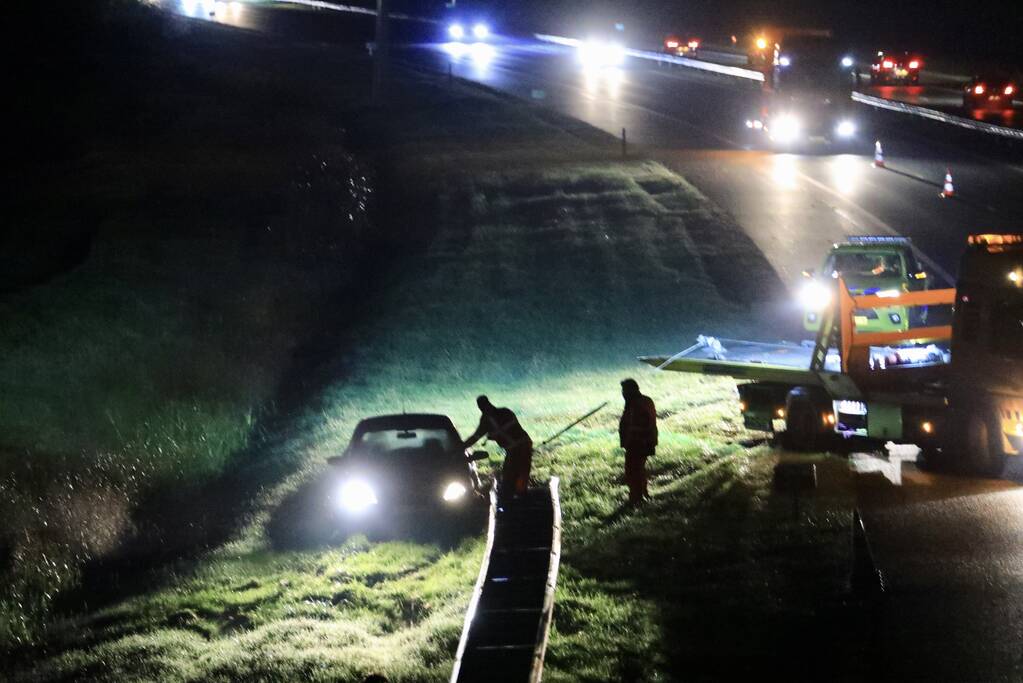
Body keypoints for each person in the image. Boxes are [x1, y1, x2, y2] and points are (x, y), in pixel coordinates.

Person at [463, 395, 533, 499]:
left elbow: (509, 428)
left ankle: (517, 495)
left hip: (522, 445)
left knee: (518, 471)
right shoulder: (495, 416)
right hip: (514, 448)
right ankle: (516, 494)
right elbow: (476, 436)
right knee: (514, 472)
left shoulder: (503, 414)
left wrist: (493, 435)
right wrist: (462, 446)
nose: (483, 409)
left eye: (483, 407)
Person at [619, 379, 657, 505]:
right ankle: (642, 495)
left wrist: (630, 438)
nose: (623, 393)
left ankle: (636, 498)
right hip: (643, 442)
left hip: (638, 443)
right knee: (639, 470)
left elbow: (640, 424)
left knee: (632, 471)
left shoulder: (636, 404)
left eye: (624, 390)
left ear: (630, 390)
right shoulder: (644, 401)